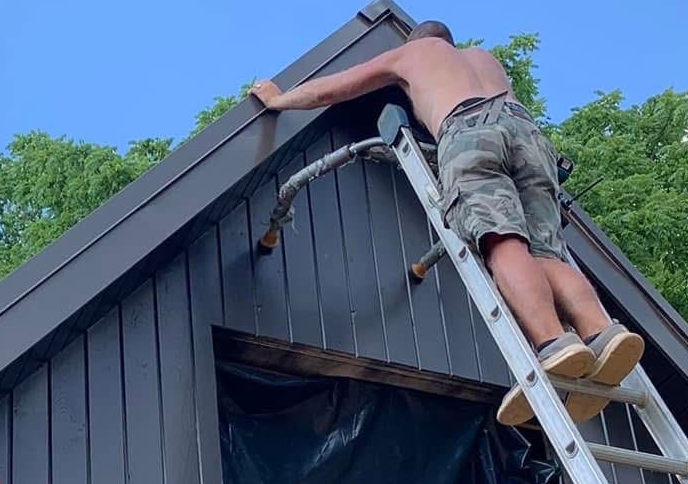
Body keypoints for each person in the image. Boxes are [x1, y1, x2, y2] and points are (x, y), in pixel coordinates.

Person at [251, 23, 644, 424]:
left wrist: (279, 99)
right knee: (545, 250)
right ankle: (602, 332)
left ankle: (552, 344)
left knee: (502, 241)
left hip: (469, 129)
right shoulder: (485, 60)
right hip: (528, 134)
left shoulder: (413, 54)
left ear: (417, 41)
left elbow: (335, 88)